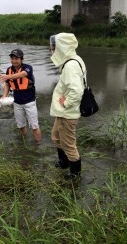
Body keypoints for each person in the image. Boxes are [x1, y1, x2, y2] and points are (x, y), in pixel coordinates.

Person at [49, 32, 86, 179]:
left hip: (68, 113)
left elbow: (76, 90)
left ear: (62, 47)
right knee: (56, 136)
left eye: (54, 46)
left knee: (69, 144)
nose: (51, 49)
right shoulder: (75, 59)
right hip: (63, 112)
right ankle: (63, 162)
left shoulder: (70, 65)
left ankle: (75, 173)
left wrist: (66, 103)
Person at [0, 48, 42, 144]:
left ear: (22, 59)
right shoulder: (9, 70)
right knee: (21, 126)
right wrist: (4, 96)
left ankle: (38, 145)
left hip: (29, 101)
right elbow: (7, 84)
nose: (14, 61)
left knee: (34, 126)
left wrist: (7, 77)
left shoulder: (28, 67)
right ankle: (23, 142)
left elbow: (22, 74)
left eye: (16, 58)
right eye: (12, 58)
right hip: (17, 102)